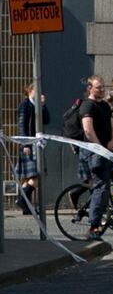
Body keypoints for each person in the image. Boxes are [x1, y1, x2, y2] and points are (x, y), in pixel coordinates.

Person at [79, 75, 113, 240]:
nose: (102, 89)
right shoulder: (87, 106)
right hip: (95, 152)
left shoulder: (104, 105)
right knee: (101, 187)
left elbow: (112, 124)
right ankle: (93, 228)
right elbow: (88, 130)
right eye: (98, 87)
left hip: (108, 148)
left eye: (102, 87)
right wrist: (100, 147)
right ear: (90, 88)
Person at [14, 83, 50, 215]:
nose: (41, 94)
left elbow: (46, 120)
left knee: (30, 176)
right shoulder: (25, 105)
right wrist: (25, 144)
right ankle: (23, 200)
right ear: (30, 91)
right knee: (37, 174)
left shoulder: (37, 105)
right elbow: (22, 125)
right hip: (29, 144)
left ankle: (26, 206)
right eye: (37, 91)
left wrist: (43, 106)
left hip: (37, 143)